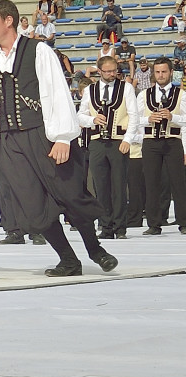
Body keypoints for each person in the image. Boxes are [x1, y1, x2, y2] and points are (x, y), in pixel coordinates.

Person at [0, 1, 116, 277]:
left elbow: (57, 92)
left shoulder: (39, 51)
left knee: (71, 195)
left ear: (9, 21)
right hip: (9, 142)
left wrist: (62, 137)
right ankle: (68, 260)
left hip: (44, 135)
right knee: (33, 204)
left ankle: (95, 249)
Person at [78, 55, 138, 239]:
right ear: (100, 71)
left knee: (118, 186)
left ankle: (120, 227)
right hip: (97, 142)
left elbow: (133, 115)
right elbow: (80, 115)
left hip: (119, 141)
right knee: (100, 186)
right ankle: (105, 226)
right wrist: (92, 119)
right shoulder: (90, 90)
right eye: (108, 71)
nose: (112, 74)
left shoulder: (126, 88)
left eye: (114, 70)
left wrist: (128, 139)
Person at [135, 57, 186, 236]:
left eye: (164, 71)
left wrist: (174, 118)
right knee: (151, 183)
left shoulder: (182, 94)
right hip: (151, 142)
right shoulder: (144, 94)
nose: (161, 75)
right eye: (157, 72)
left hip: (173, 141)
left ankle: (184, 222)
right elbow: (134, 120)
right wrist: (148, 119)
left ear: (171, 72)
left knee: (178, 183)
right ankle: (154, 223)